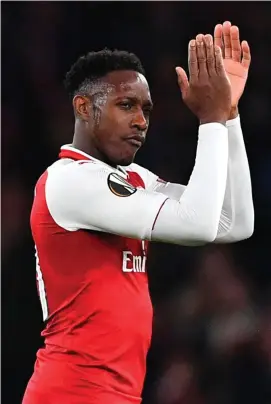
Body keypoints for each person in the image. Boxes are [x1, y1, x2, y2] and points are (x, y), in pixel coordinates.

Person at [23, 21, 254, 404]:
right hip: (70, 392)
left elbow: (233, 223)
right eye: (126, 105)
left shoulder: (134, 178)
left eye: (146, 109)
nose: (140, 121)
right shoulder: (67, 182)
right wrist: (210, 119)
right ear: (83, 106)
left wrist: (228, 115)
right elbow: (196, 225)